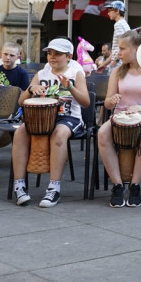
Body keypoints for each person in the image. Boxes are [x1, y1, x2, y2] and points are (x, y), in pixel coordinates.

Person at [10, 38, 90, 207]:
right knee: (19, 132)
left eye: (58, 54)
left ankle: (54, 188)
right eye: (50, 53)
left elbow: (86, 103)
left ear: (69, 56)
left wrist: (70, 88)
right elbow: (21, 102)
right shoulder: (41, 74)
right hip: (41, 117)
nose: (52, 57)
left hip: (69, 118)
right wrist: (32, 90)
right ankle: (19, 186)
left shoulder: (76, 74)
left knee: (59, 135)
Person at [97, 30, 141, 208]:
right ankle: (117, 185)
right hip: (121, 117)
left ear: (136, 49)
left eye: (122, 48)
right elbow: (108, 103)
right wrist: (111, 101)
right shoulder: (117, 72)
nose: (118, 52)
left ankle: (135, 185)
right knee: (102, 133)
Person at [102, 0, 131, 70]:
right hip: (122, 60)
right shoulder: (124, 23)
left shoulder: (118, 24)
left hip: (119, 62)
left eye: (109, 11)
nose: (108, 13)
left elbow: (122, 45)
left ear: (117, 11)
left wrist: (115, 61)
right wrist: (104, 64)